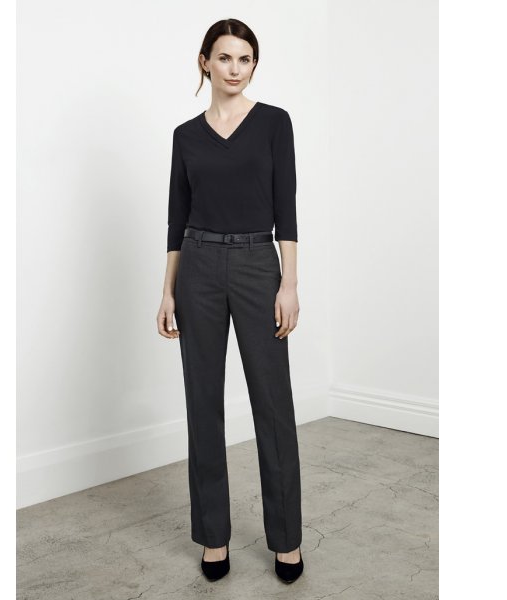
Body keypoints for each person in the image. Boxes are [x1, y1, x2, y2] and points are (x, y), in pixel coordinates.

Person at [156, 18, 304, 584]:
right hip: (196, 267)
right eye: (224, 58)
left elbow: (286, 209)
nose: (235, 69)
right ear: (205, 62)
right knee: (203, 405)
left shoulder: (274, 124)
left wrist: (289, 283)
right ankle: (213, 535)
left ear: (254, 65)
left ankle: (286, 539)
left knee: (273, 404)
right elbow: (176, 219)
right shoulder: (185, 136)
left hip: (257, 265)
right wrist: (167, 290)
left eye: (245, 59)